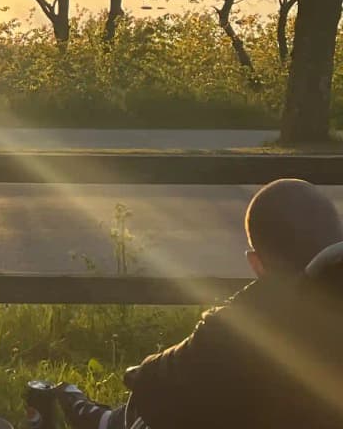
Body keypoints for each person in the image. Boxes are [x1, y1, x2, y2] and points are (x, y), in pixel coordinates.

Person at [57, 178, 343, 429]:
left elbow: (154, 381)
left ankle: (100, 419)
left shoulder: (241, 326)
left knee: (168, 406)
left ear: (256, 264)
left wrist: (141, 373)